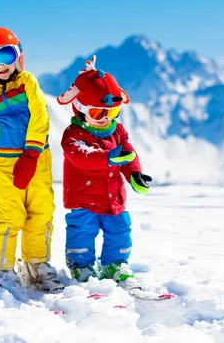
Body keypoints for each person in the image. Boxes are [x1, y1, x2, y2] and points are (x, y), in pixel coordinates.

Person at [0, 27, 63, 292]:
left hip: (37, 159)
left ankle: (37, 263)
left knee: (41, 211)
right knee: (10, 215)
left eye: (6, 55)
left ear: (18, 57)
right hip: (5, 163)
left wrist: (32, 154)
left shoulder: (27, 83)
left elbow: (40, 116)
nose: (0, 66)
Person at [57, 55, 152, 287]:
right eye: (99, 113)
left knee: (119, 230)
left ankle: (115, 264)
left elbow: (128, 153)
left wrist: (134, 174)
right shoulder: (73, 135)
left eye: (113, 111)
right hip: (83, 198)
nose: (106, 119)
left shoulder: (117, 131)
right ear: (80, 109)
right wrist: (108, 157)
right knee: (82, 232)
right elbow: (80, 158)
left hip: (113, 198)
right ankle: (81, 267)